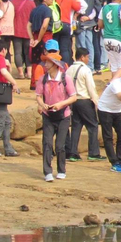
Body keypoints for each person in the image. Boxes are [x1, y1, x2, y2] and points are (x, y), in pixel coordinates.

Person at [34, 53, 77, 182]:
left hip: (63, 115)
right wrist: (43, 105)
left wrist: (60, 104)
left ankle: (61, 170)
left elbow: (73, 97)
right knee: (47, 143)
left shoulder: (65, 78)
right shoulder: (43, 78)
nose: (45, 64)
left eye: (47, 62)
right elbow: (38, 96)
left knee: (60, 145)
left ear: (55, 65)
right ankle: (47, 171)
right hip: (48, 115)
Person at [65, 47, 102, 163]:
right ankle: (93, 153)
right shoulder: (86, 70)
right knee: (93, 126)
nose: (88, 59)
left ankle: (73, 153)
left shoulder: (69, 69)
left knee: (76, 126)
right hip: (84, 100)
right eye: (87, 57)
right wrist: (96, 102)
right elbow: (91, 88)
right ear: (82, 57)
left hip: (73, 100)